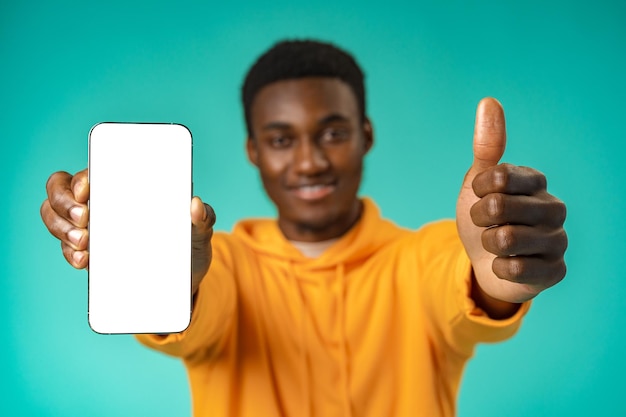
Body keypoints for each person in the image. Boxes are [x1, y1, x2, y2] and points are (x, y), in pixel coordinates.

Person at [40, 40, 567, 417]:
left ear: (366, 136)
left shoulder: (422, 254)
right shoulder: (222, 263)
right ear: (253, 152)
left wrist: (499, 272)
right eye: (280, 139)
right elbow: (202, 307)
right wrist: (167, 276)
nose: (310, 162)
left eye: (332, 132)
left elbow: (461, 286)